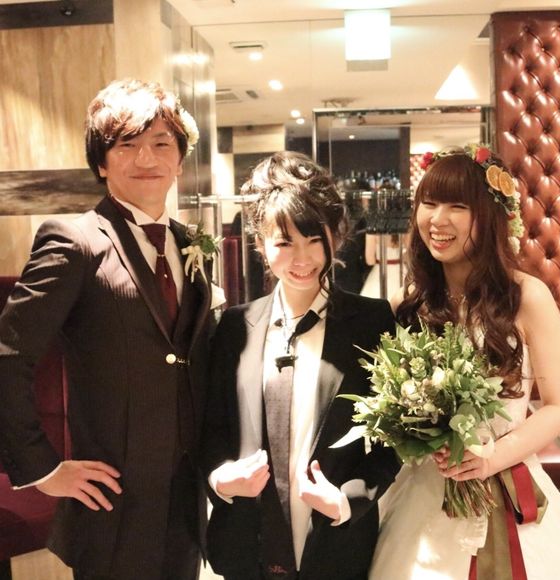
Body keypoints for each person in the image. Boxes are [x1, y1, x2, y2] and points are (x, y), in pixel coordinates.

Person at [0, 79, 215, 580]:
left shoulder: (188, 242)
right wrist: (42, 468)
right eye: (126, 144)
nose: (146, 158)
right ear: (101, 162)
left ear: (180, 161)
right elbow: (8, 353)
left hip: (185, 499)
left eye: (161, 143)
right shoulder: (74, 241)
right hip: (114, 503)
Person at [369, 146, 560, 579]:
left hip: (507, 478)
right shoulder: (406, 305)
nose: (438, 219)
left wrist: (490, 457)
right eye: (429, 203)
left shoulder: (526, 296)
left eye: (457, 206)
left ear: (489, 216)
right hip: (422, 494)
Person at [202, 151, 400, 580]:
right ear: (260, 243)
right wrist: (220, 479)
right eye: (285, 243)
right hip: (244, 548)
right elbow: (211, 426)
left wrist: (348, 500)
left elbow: (392, 441)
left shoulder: (372, 323)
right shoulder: (234, 326)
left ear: (335, 237)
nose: (302, 259)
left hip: (337, 544)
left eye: (314, 240)